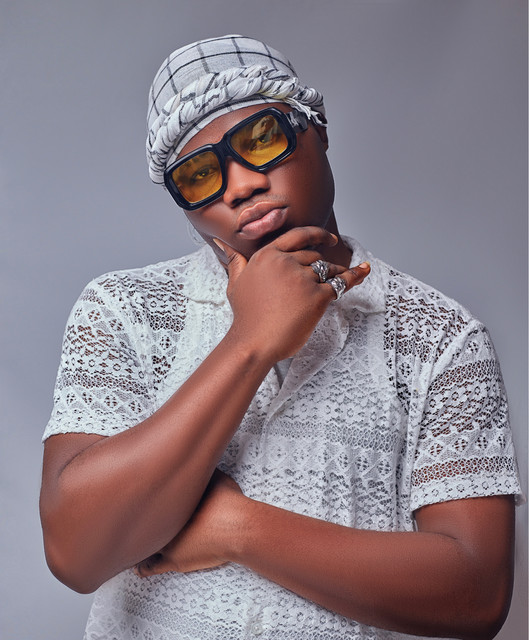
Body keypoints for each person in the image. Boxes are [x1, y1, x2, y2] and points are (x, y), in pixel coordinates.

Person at [40, 35, 522, 640]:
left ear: (317, 131)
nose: (240, 185)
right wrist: (249, 342)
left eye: (261, 140)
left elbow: (476, 595)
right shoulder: (124, 310)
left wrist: (238, 528)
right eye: (199, 175)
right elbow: (76, 553)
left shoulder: (440, 336)